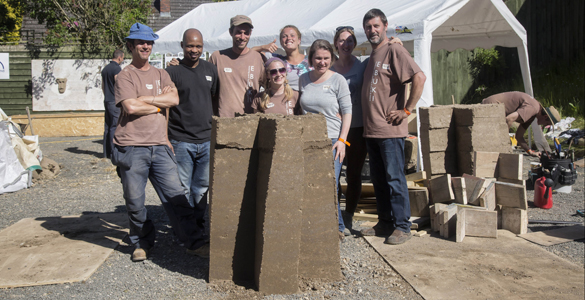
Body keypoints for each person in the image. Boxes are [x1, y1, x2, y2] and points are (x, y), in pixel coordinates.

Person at [113, 23, 208, 262]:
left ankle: (194, 242)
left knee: (177, 198)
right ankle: (141, 242)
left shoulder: (161, 73)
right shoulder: (124, 76)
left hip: (161, 146)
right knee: (135, 201)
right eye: (140, 43)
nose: (145, 46)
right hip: (132, 147)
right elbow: (130, 107)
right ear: (130, 46)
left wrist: (146, 99)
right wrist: (158, 104)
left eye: (149, 42)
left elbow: (174, 98)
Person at [359, 9, 427, 245]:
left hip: (389, 130)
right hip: (372, 130)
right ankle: (385, 223)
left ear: (385, 26)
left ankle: (402, 226)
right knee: (378, 180)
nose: (372, 30)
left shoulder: (394, 49)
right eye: (368, 27)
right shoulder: (372, 58)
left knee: (395, 179)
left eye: (376, 26)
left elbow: (419, 77)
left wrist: (407, 110)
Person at [165, 28, 218, 246]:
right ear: (182, 46)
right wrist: (165, 136)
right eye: (190, 46)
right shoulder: (172, 72)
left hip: (206, 139)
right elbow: (166, 105)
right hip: (181, 139)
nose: (194, 50)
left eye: (198, 46)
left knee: (201, 188)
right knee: (184, 188)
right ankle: (186, 233)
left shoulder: (210, 69)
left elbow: (213, 98)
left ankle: (198, 227)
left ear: (203, 46)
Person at [299, 39, 352, 240]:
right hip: (307, 140)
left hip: (332, 140)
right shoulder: (304, 79)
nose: (322, 62)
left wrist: (342, 140)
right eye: (318, 58)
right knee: (311, 184)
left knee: (329, 184)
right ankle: (319, 225)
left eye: (326, 58)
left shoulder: (338, 80)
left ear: (332, 58)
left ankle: (337, 227)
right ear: (311, 59)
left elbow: (347, 111)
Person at [209, 15, 265, 117]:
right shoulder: (217, 57)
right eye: (239, 32)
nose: (242, 37)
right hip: (224, 121)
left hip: (250, 121)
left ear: (250, 33)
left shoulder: (257, 58)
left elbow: (269, 87)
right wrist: (180, 63)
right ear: (231, 32)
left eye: (246, 33)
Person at [482, 91, 560, 157]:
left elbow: (519, 136)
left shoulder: (532, 116)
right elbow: (509, 119)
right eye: (547, 123)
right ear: (545, 116)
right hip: (491, 106)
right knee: (495, 145)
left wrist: (530, 152)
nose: (544, 126)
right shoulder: (533, 109)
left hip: (497, 109)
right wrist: (504, 139)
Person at [253, 25, 312, 90]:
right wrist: (263, 47)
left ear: (299, 40)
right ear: (281, 42)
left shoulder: (312, 59)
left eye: (292, 35)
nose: (289, 38)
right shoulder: (278, 61)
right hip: (288, 99)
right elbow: (249, 53)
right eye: (284, 36)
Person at [101, 49, 124, 159]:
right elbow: (118, 83)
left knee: (108, 126)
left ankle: (106, 152)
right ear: (119, 57)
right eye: (123, 58)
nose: (122, 60)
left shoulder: (105, 68)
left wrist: (107, 96)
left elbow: (103, 86)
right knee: (114, 127)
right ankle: (113, 153)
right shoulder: (116, 68)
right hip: (114, 101)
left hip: (107, 100)